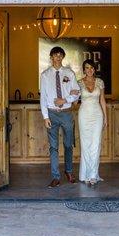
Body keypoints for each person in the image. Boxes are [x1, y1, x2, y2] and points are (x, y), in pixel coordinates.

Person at [40, 46, 80, 188]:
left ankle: (69, 171)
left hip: (67, 113)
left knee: (68, 144)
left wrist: (65, 100)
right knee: (53, 147)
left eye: (60, 55)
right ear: (51, 57)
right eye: (55, 55)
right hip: (51, 113)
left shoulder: (69, 73)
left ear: (63, 57)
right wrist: (45, 117)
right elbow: (43, 98)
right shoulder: (45, 75)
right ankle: (55, 177)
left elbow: (77, 92)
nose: (57, 58)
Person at [77, 59, 107, 186]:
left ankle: (93, 174)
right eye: (87, 67)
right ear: (84, 69)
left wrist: (106, 117)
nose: (89, 70)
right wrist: (70, 95)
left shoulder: (100, 82)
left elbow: (102, 100)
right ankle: (85, 174)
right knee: (85, 145)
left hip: (97, 115)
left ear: (94, 69)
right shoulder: (78, 83)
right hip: (84, 115)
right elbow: (74, 101)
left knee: (96, 144)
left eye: (91, 68)